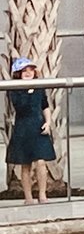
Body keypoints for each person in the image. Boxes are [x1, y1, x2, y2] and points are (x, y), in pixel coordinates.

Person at [7, 57, 55, 204]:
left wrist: (48, 122)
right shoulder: (14, 89)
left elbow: (44, 105)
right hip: (23, 128)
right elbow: (20, 107)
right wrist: (28, 91)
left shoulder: (40, 87)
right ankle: (28, 198)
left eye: (30, 70)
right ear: (18, 73)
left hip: (38, 127)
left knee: (41, 162)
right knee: (25, 164)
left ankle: (42, 195)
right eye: (24, 71)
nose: (28, 73)